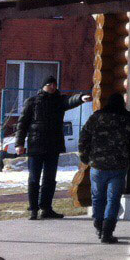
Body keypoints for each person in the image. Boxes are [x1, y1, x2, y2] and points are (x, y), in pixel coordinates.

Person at [15, 76, 90, 220]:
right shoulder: (32, 102)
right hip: (36, 146)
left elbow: (70, 100)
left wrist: (81, 98)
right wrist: (19, 144)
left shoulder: (58, 101)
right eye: (50, 85)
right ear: (44, 86)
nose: (53, 87)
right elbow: (22, 124)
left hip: (53, 146)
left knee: (50, 179)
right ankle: (33, 209)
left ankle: (46, 208)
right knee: (34, 179)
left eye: (55, 85)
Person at [77, 92, 130, 244]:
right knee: (113, 198)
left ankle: (99, 226)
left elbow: (84, 137)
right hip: (119, 165)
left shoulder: (96, 117)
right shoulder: (128, 119)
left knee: (97, 197)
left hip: (97, 164)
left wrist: (84, 157)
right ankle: (108, 231)